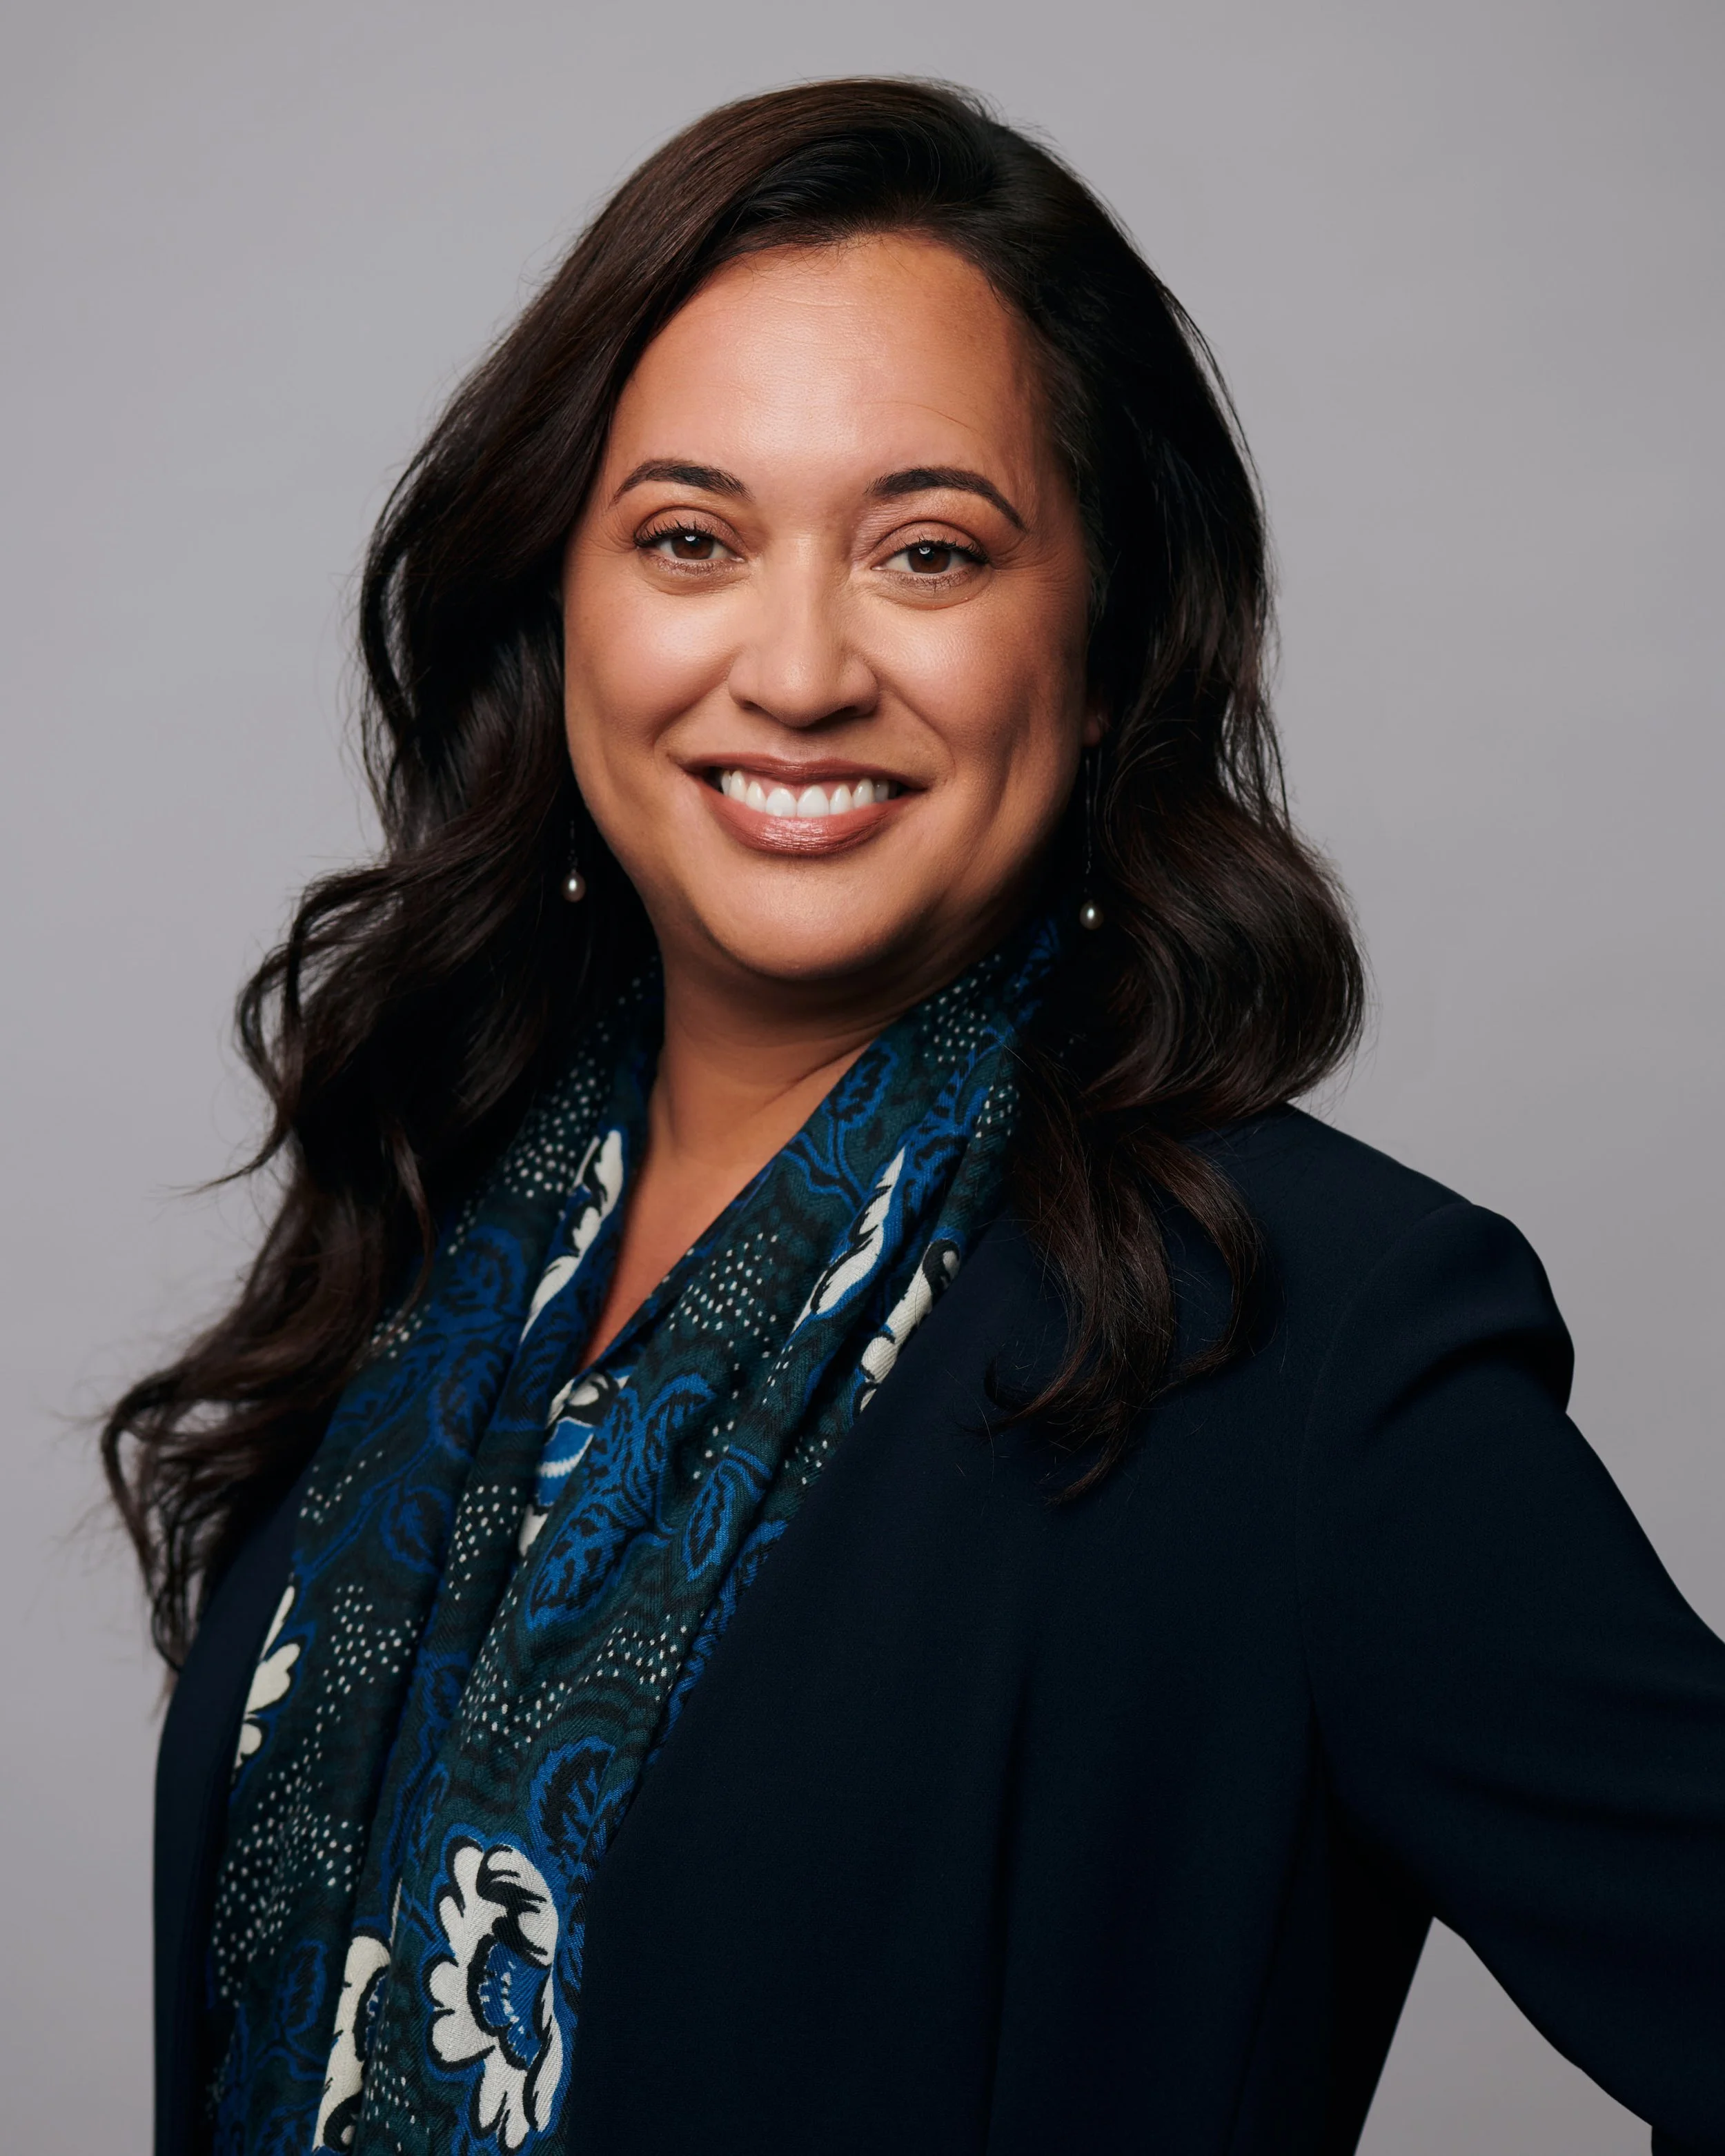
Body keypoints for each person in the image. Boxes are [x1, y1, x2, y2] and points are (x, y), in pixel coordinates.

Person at [108, 77, 1724, 2156]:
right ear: (559, 602)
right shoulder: (437, 1247)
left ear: (1107, 631)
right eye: (689, 537)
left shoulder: (1311, 1336)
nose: (793, 667)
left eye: (927, 551)